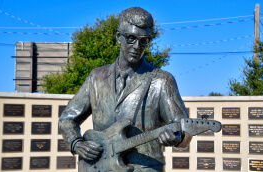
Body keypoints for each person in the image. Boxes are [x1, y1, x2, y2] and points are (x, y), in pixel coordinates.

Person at [59, 7, 191, 172]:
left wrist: (177, 138)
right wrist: (76, 143)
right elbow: (67, 119)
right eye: (131, 38)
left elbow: (184, 129)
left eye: (144, 40)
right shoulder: (96, 77)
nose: (137, 46)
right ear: (118, 37)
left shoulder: (162, 81)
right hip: (99, 167)